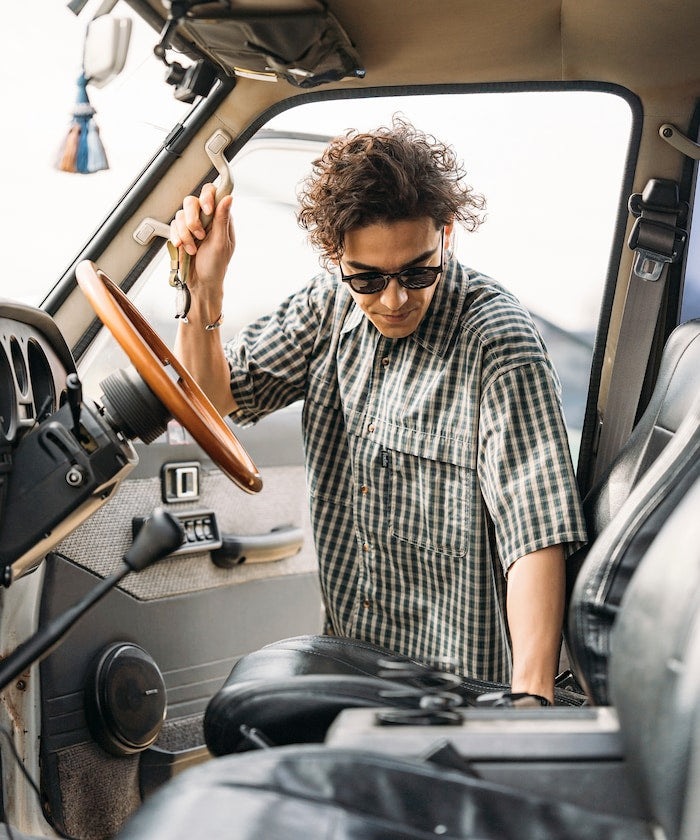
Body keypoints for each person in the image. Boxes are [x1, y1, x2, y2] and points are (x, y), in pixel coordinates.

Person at [171, 118, 587, 704]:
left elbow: (534, 533)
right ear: (335, 256)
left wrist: (528, 701)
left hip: (457, 687)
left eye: (417, 272)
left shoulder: (497, 341)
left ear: (446, 234)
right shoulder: (327, 307)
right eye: (367, 278)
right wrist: (204, 289)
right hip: (354, 660)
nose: (393, 300)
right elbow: (215, 397)